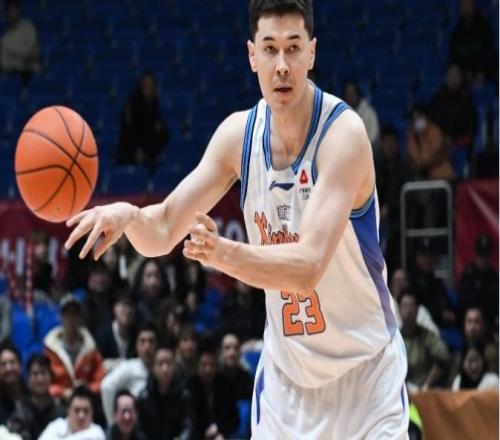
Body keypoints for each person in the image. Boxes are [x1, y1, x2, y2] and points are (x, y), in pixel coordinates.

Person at [64, 1, 409, 437]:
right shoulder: (238, 137)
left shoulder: (343, 135)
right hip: (287, 389)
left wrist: (222, 254)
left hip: (365, 379)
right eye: (269, 48)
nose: (281, 65)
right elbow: (165, 227)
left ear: (312, 53)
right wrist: (129, 216)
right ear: (252, 55)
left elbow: (307, 267)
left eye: (293, 48)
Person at [44, 294, 105, 400]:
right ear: (61, 317)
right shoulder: (50, 348)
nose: (71, 318)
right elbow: (44, 383)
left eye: (74, 314)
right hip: (59, 401)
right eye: (67, 314)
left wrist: (88, 389)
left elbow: (99, 379)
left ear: (80, 317)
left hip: (86, 400)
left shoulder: (90, 348)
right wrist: (63, 392)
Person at [100, 323, 157, 426]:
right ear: (136, 346)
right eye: (142, 341)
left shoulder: (162, 367)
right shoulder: (130, 367)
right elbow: (107, 386)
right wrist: (113, 424)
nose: (147, 346)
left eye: (151, 341)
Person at [375, 125, 413, 270]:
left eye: (392, 142)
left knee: (393, 233)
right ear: (381, 144)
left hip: (398, 216)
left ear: (397, 144)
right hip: (377, 214)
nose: (390, 147)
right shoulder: (375, 165)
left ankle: (390, 269)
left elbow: (408, 196)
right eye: (386, 143)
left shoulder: (405, 166)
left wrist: (389, 209)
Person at [116, 71, 170, 172]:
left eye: (151, 85)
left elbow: (163, 133)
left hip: (150, 155)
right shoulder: (132, 103)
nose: (148, 88)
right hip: (130, 154)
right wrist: (137, 149)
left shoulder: (156, 106)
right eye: (146, 85)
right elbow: (129, 130)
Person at [137, 346, 193, 440]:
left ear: (175, 367)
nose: (165, 369)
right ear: (153, 368)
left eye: (168, 363)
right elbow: (139, 430)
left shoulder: (184, 396)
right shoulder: (143, 398)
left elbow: (187, 426)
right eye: (160, 363)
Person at [399, 289, 450, 393]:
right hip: (400, 391)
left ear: (417, 310)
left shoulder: (427, 335)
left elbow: (443, 357)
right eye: (405, 306)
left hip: (424, 391)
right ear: (399, 309)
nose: (408, 310)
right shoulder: (395, 338)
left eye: (411, 306)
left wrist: (427, 383)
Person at [7, 354, 65, 440]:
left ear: (51, 377)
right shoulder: (20, 413)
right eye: (35, 374)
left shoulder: (61, 411)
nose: (40, 379)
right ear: (28, 378)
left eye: (43, 373)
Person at [188, 346, 239, 439]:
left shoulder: (225, 386)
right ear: (196, 367)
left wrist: (219, 429)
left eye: (211, 365)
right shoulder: (190, 388)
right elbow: (190, 421)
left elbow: (234, 420)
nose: (208, 370)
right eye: (204, 365)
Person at [448, 0, 497, 84]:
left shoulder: (484, 27)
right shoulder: (457, 32)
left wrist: (481, 72)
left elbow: (489, 53)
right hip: (463, 75)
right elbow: (453, 56)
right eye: (463, 5)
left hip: (485, 73)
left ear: (473, 5)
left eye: (468, 4)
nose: (465, 7)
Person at [458, 234, 499, 329]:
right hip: (471, 323)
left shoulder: (495, 277)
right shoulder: (468, 276)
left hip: (490, 322)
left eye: (486, 255)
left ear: (490, 256)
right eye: (481, 255)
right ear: (475, 255)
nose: (483, 259)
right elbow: (465, 303)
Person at [39, 386, 105, 440]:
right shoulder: (56, 425)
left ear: (92, 412)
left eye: (86, 411)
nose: (81, 415)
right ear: (68, 410)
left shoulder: (97, 432)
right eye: (77, 410)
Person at [96, 293, 137, 373]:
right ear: (114, 308)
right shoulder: (103, 335)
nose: (128, 311)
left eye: (131, 306)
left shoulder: (137, 334)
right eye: (124, 306)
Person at [390, 269, 439, 336]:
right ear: (391, 286)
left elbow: (435, 333)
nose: (400, 284)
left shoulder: (420, 309)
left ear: (408, 284)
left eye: (402, 281)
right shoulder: (385, 308)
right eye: (397, 281)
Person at [0, 0, 40, 79]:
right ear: (6, 14)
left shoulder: (28, 27)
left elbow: (30, 54)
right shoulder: (4, 38)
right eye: (9, 11)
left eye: (14, 10)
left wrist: (12, 53)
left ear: (19, 11)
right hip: (12, 75)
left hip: (31, 74)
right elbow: (4, 63)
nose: (12, 13)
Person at [343, 79, 380, 149]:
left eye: (353, 92)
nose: (350, 96)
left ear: (358, 94)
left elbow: (374, 136)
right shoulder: (341, 113)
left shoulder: (369, 112)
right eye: (348, 93)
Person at [219, 333, 254, 401]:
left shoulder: (247, 381)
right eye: (227, 348)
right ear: (221, 351)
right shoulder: (214, 380)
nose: (232, 353)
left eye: (236, 348)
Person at [0, 343, 26, 425]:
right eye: (3, 364)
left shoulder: (31, 390)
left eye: (12, 362)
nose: (8, 368)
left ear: (20, 365)